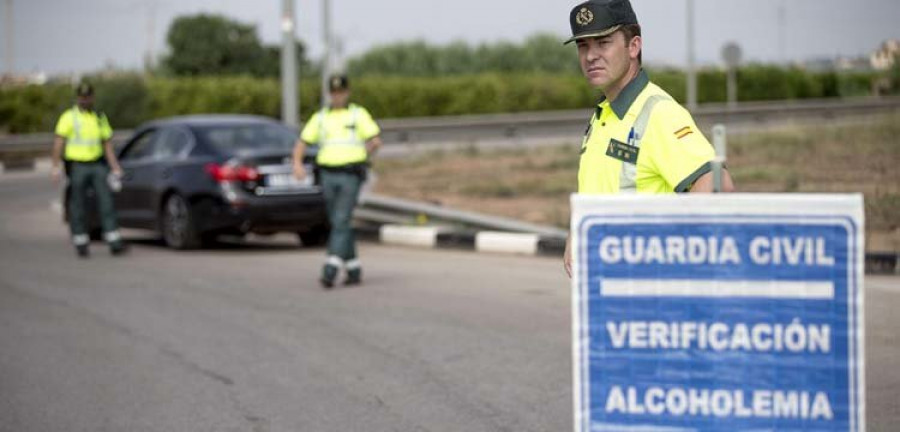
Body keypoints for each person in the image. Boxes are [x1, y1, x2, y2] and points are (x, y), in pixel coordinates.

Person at [562, 0, 735, 277]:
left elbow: (718, 187)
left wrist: (663, 258)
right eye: (583, 46)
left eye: (603, 42)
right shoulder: (605, 113)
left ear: (634, 46)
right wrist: (577, 228)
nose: (590, 55)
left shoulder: (658, 113)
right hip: (606, 289)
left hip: (644, 290)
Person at [292, 74, 383, 288]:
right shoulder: (321, 117)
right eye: (334, 93)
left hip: (350, 174)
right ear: (329, 94)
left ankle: (330, 267)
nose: (337, 96)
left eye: (341, 92)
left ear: (347, 92)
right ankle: (353, 267)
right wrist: (296, 164)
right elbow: (303, 141)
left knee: (341, 219)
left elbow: (375, 140)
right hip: (327, 174)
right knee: (338, 221)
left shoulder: (357, 115)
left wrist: (363, 153)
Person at [51, 82, 126, 258]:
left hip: (98, 165)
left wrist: (116, 168)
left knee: (106, 201)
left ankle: (114, 240)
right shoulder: (69, 117)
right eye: (82, 97)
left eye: (88, 97)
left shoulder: (99, 117)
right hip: (77, 166)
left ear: (92, 97)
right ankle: (80, 241)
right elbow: (58, 143)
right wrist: (55, 166)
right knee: (78, 204)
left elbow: (107, 144)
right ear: (78, 98)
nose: (85, 100)